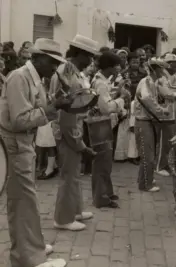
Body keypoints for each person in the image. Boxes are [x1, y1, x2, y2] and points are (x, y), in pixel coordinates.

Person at [0, 38, 69, 267]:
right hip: (15, 144)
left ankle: (32, 247)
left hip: (23, 144)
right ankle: (27, 258)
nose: (54, 68)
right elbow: (20, 120)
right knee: (22, 203)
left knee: (27, 202)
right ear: (38, 58)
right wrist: (51, 109)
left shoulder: (36, 78)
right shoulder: (19, 77)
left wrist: (55, 106)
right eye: (52, 62)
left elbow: (38, 112)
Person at [50, 34, 100, 230]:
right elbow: (66, 110)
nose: (91, 61)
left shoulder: (74, 71)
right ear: (80, 54)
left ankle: (75, 210)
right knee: (69, 175)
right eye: (90, 56)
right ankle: (63, 219)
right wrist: (76, 140)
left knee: (75, 173)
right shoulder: (65, 71)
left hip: (75, 126)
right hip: (68, 128)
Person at [90, 51, 131, 208]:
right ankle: (101, 197)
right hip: (100, 123)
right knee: (102, 161)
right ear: (109, 67)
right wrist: (121, 99)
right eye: (116, 66)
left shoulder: (102, 80)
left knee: (105, 161)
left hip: (102, 123)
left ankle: (106, 192)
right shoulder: (100, 83)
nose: (118, 69)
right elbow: (105, 107)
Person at [134, 58, 176, 192]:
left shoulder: (152, 82)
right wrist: (160, 111)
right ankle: (145, 184)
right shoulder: (146, 81)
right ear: (156, 69)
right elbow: (147, 98)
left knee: (148, 153)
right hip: (143, 121)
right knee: (147, 154)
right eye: (161, 68)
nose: (164, 71)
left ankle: (144, 179)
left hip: (148, 121)